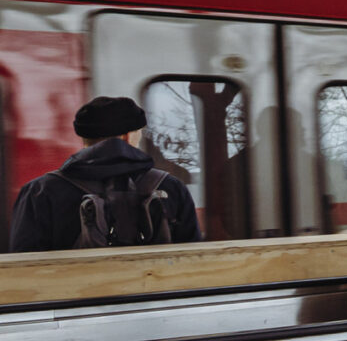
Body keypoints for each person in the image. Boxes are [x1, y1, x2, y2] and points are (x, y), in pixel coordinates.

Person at [8, 95, 202, 252]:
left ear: (84, 137)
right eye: (139, 132)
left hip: (74, 299)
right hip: (158, 298)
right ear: (127, 136)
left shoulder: (39, 191)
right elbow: (193, 256)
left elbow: (23, 263)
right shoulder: (170, 187)